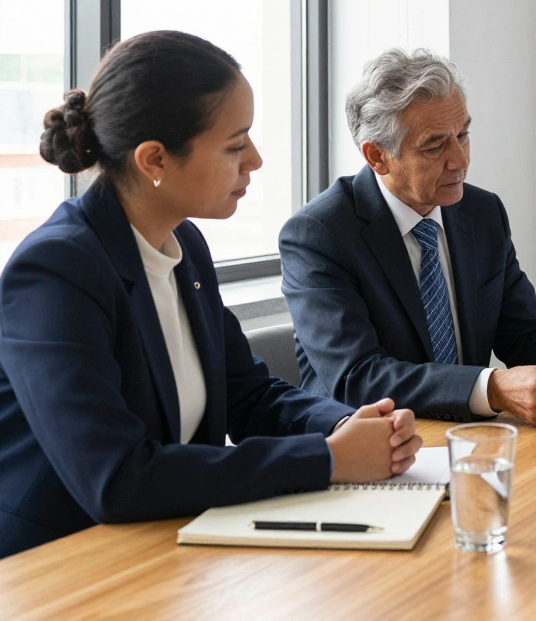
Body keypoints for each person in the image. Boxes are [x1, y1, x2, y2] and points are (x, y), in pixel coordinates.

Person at [0, 31, 422, 560]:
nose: (256, 160)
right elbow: (115, 477)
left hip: (164, 548)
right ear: (154, 160)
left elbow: (245, 394)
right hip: (56, 565)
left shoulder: (185, 246)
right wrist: (329, 459)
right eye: (235, 145)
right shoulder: (56, 271)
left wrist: (344, 426)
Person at [280, 48, 536, 426]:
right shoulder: (318, 234)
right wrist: (492, 388)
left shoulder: (482, 213)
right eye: (434, 145)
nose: (460, 160)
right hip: (366, 441)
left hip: (469, 435)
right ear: (377, 156)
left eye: (463, 135)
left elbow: (525, 329)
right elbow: (357, 377)